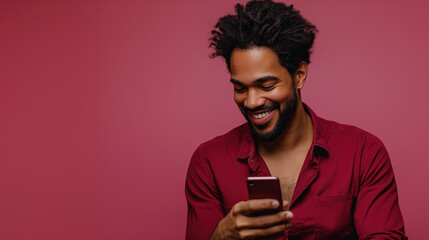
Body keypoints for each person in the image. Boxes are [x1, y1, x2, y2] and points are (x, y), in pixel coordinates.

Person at [185, 0, 407, 239]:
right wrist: (221, 237)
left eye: (266, 85)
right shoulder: (208, 162)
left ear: (299, 75)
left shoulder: (363, 152)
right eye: (240, 88)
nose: (251, 102)